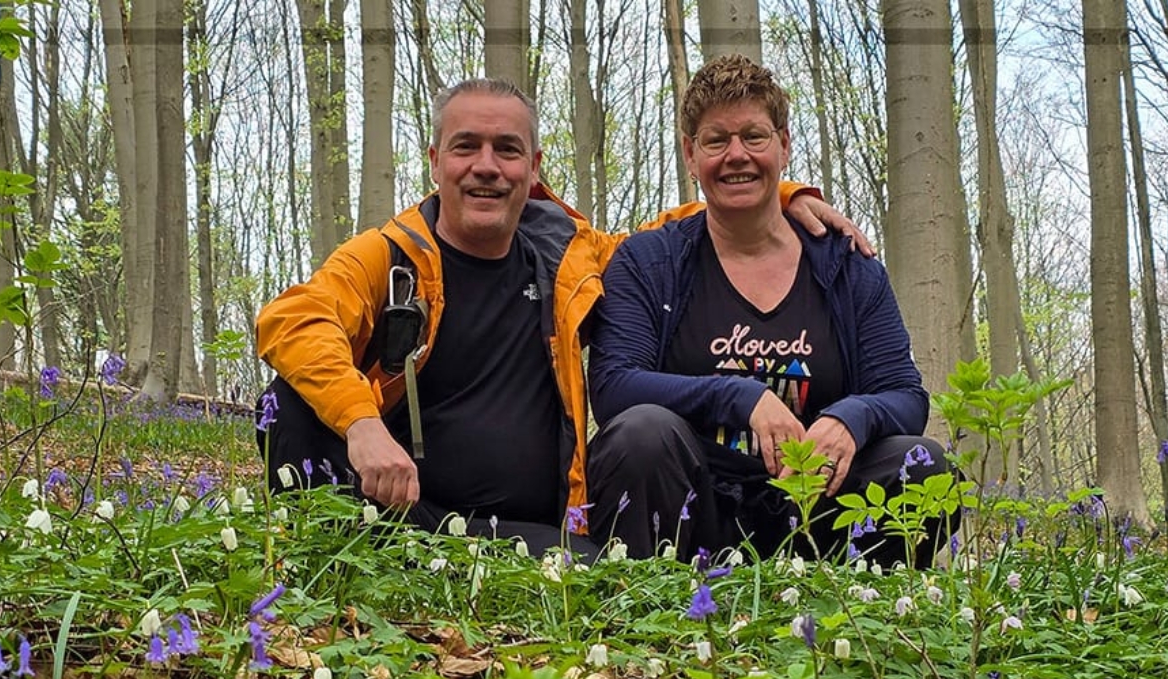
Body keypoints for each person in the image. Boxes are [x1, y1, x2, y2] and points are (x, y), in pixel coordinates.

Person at [255, 77, 866, 556]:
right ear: (437, 158)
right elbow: (293, 319)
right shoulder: (390, 257)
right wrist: (362, 425)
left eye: (508, 150)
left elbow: (679, 230)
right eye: (467, 147)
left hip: (531, 534)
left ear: (534, 165)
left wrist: (780, 192)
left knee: (595, 563)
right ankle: (323, 566)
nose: (486, 167)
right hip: (397, 515)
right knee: (286, 398)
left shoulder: (572, 256)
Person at [585, 56, 953, 566]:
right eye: (716, 141)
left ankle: (866, 619)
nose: (737, 156)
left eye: (754, 137)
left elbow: (906, 396)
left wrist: (854, 417)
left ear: (784, 145)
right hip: (697, 508)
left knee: (923, 463)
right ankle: (651, 612)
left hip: (819, 506)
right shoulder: (651, 260)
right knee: (639, 433)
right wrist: (738, 396)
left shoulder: (847, 266)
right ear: (691, 155)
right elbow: (612, 388)